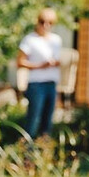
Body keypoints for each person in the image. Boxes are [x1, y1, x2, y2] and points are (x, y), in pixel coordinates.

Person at [17, 7, 63, 138]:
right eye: (42, 22)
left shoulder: (56, 40)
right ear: (37, 22)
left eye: (50, 22)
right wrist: (39, 66)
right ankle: (27, 153)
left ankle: (43, 152)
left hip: (51, 83)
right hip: (36, 84)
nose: (45, 25)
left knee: (47, 121)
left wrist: (56, 63)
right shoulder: (30, 40)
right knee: (33, 120)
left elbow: (58, 60)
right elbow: (20, 62)